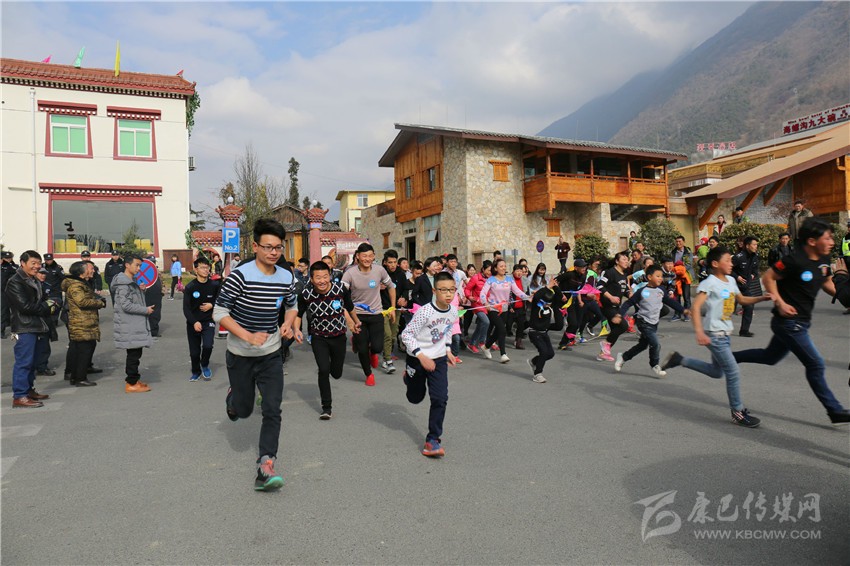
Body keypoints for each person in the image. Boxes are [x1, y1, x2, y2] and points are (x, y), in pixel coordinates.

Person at [733, 217, 850, 426]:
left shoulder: (824, 259)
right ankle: (834, 410)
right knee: (815, 363)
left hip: (801, 322)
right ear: (812, 241)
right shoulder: (793, 260)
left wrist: (844, 295)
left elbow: (826, 282)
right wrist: (779, 302)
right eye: (828, 238)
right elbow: (768, 278)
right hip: (789, 323)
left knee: (770, 357)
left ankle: (730, 358)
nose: (832, 242)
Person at [213, 218, 298, 491]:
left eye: (278, 247)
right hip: (240, 353)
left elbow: (292, 305)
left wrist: (288, 323)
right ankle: (234, 398)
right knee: (245, 409)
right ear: (255, 246)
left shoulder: (286, 276)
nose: (274, 252)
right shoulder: (240, 276)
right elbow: (219, 312)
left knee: (272, 408)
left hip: (271, 353)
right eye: (268, 247)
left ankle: (266, 465)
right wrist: (248, 336)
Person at [661, 246, 773, 427]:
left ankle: (679, 360)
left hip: (725, 334)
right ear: (715, 263)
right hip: (714, 335)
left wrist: (761, 298)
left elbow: (742, 300)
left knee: (717, 371)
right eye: (727, 260)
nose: (731, 263)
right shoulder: (709, 283)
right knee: (733, 371)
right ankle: (737, 412)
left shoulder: (731, 280)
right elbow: (696, 307)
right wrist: (699, 331)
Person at [400, 271, 459, 458]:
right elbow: (406, 335)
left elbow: (447, 330)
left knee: (440, 398)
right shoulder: (425, 312)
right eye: (443, 290)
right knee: (415, 398)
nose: (448, 294)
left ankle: (433, 439)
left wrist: (448, 350)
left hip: (439, 359)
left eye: (452, 290)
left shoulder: (453, 311)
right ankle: (409, 378)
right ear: (434, 291)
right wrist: (421, 356)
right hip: (417, 358)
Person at [294, 261, 360, 419]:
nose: (322, 280)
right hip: (319, 338)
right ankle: (326, 408)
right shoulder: (306, 294)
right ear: (312, 279)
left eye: (325, 276)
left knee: (336, 373)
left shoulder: (340, 289)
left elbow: (350, 307)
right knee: (323, 370)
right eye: (318, 277)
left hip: (339, 337)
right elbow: (298, 314)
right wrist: (296, 330)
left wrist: (356, 322)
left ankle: (334, 370)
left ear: (330, 276)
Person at [612, 264, 687, 377]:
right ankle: (655, 365)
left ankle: (623, 357)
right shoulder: (642, 291)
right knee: (655, 344)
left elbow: (670, 302)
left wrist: (683, 310)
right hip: (643, 322)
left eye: (661, 276)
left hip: (653, 323)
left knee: (642, 345)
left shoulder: (661, 290)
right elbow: (628, 303)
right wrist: (619, 315)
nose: (660, 278)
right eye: (658, 276)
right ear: (649, 277)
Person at [7, 251, 57, 407]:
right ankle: (19, 396)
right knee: (24, 362)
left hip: (37, 325)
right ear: (23, 263)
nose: (36, 266)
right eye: (33, 263)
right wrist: (46, 306)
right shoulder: (15, 281)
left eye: (38, 263)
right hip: (24, 326)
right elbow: (25, 307)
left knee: (33, 362)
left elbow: (43, 300)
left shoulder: (34, 279)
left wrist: (50, 303)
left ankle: (28, 390)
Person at [341, 243, 395, 387]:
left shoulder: (379, 270)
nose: (367, 259)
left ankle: (373, 353)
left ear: (374, 256)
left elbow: (391, 287)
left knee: (377, 347)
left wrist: (392, 307)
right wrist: (349, 318)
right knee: (363, 348)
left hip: (376, 313)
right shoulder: (350, 273)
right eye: (364, 256)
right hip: (357, 316)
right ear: (358, 256)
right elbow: (341, 294)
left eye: (370, 256)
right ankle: (368, 374)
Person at [112, 254, 155, 393]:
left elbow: (133, 300)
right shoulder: (124, 284)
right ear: (127, 265)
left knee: (135, 354)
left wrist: (141, 290)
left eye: (140, 266)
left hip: (133, 324)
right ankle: (131, 383)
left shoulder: (131, 281)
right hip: (129, 324)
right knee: (133, 355)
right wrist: (145, 310)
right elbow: (126, 305)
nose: (139, 268)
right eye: (137, 265)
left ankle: (134, 380)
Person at [62, 261, 106, 387]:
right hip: (81, 322)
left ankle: (75, 376)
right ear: (82, 272)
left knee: (85, 348)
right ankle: (80, 378)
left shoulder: (82, 283)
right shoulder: (76, 286)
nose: (93, 271)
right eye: (91, 269)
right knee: (83, 350)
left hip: (85, 321)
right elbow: (82, 302)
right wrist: (99, 303)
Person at [480, 258, 530, 363]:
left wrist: (527, 297)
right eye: (501, 266)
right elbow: (483, 293)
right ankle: (503, 354)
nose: (503, 268)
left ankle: (486, 346)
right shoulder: (491, 280)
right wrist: (485, 303)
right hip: (493, 309)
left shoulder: (509, 279)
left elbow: (517, 291)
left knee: (498, 331)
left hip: (504, 309)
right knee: (502, 329)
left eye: (504, 266)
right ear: (495, 268)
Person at [183, 256, 219, 382]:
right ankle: (196, 371)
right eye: (202, 267)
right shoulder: (190, 287)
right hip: (193, 323)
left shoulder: (214, 285)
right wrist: (194, 322)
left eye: (207, 267)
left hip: (208, 321)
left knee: (208, 346)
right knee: (194, 352)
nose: (205, 270)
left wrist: (212, 305)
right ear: (196, 269)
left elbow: (221, 300)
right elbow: (186, 309)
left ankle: (204, 364)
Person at [525, 280, 565, 383]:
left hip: (544, 333)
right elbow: (537, 295)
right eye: (546, 302)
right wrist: (547, 286)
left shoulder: (550, 306)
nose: (548, 304)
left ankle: (534, 361)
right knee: (543, 352)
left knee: (550, 354)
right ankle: (537, 374)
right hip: (534, 332)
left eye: (550, 303)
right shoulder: (536, 306)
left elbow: (559, 296)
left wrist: (555, 286)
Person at [596, 252, 633, 362]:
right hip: (607, 306)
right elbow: (599, 285)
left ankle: (602, 354)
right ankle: (605, 344)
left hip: (616, 307)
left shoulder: (624, 274)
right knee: (623, 326)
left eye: (627, 259)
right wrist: (611, 297)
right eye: (624, 259)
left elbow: (625, 290)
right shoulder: (610, 272)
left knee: (615, 331)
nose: (626, 261)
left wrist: (630, 294)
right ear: (617, 261)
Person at [381, 250, 408, 373]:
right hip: (382, 309)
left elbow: (406, 289)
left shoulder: (401, 274)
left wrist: (404, 298)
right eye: (390, 262)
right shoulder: (380, 273)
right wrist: (377, 287)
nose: (392, 265)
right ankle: (388, 360)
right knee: (386, 334)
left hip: (395, 309)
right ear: (385, 263)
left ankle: (386, 354)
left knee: (392, 335)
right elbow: (369, 287)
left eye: (394, 262)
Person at [732, 236, 760, 337]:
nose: (756, 246)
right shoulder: (738, 257)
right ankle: (717, 328)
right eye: (754, 244)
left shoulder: (755, 257)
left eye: (756, 245)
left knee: (749, 306)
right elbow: (728, 269)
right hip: (733, 287)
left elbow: (755, 269)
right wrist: (737, 277)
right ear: (747, 246)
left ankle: (744, 330)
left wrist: (752, 275)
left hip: (745, 287)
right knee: (728, 308)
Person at [33, 267, 58, 376]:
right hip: (33, 317)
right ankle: (32, 366)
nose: (43, 275)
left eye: (44, 274)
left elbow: (56, 298)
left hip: (46, 317)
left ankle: (42, 367)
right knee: (32, 345)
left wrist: (53, 305)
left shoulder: (48, 286)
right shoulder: (31, 285)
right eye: (40, 273)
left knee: (44, 345)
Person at [463, 261, 491, 355]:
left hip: (487, 304)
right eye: (488, 270)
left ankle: (471, 344)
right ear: (483, 269)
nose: (490, 272)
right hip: (477, 304)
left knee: (480, 325)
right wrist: (469, 297)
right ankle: (482, 342)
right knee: (486, 322)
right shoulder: (475, 278)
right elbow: (467, 289)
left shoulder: (491, 279)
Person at [142, 256, 164, 337]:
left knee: (156, 313)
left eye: (154, 261)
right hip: (146, 294)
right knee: (147, 313)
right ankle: (146, 330)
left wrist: (162, 291)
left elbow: (161, 282)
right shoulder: (143, 271)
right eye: (151, 261)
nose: (153, 263)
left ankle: (154, 331)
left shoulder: (157, 272)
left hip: (157, 295)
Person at [41, 253, 65, 324]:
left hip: (56, 290)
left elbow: (63, 278)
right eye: (47, 260)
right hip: (45, 290)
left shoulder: (58, 267)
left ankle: (55, 320)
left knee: (57, 305)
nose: (49, 261)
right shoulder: (42, 267)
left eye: (50, 260)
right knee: (46, 305)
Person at [1, 250, 18, 338]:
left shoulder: (14, 267)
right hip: (2, 292)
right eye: (5, 258)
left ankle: (15, 329)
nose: (7, 259)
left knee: (15, 311)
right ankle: (2, 330)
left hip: (12, 292)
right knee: (3, 312)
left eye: (9, 258)